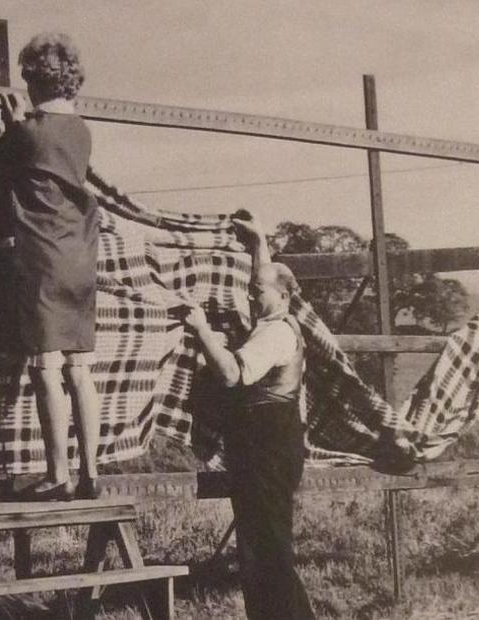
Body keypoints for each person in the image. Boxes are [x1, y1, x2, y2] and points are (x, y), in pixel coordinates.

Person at [0, 33, 101, 501]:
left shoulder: (26, 134)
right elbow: (39, 157)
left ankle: (58, 473)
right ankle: (90, 470)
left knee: (46, 368)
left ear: (30, 79)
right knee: (80, 369)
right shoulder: (80, 130)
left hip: (42, 258)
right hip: (81, 260)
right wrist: (17, 127)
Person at [180, 210, 315, 619]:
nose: (252, 296)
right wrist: (258, 243)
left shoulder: (275, 333)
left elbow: (232, 375)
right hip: (265, 450)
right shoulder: (271, 319)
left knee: (266, 554)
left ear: (285, 297)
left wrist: (202, 331)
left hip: (267, 452)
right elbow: (265, 279)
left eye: (258, 292)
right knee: (264, 549)